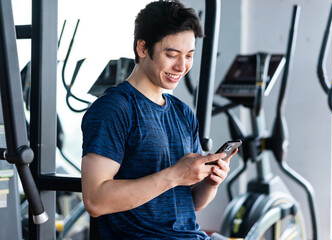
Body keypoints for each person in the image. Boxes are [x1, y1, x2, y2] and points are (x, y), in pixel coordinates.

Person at [81, 1, 237, 239]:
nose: (182, 66)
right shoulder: (113, 109)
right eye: (171, 54)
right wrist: (174, 174)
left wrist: (210, 182)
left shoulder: (182, 112)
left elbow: (192, 202)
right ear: (142, 48)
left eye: (189, 55)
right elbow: (96, 200)